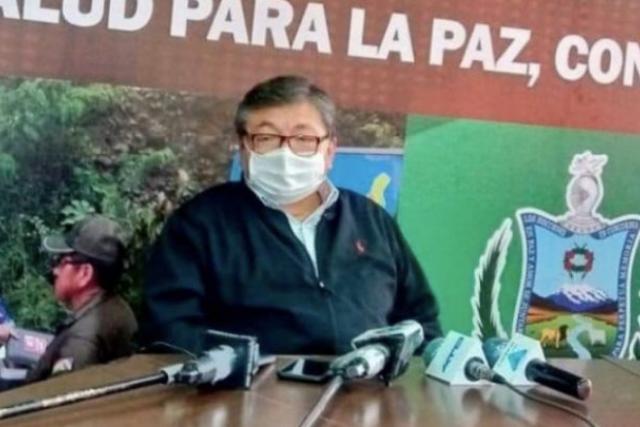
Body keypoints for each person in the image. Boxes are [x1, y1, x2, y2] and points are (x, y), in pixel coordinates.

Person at [142, 75, 441, 355]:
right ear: (244, 148)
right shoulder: (199, 224)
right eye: (266, 137)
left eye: (303, 138)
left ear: (329, 150)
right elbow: (170, 330)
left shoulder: (370, 219)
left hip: (365, 387)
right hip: (251, 389)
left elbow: (421, 321)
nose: (285, 154)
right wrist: (248, 368)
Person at [0, 215, 138, 382]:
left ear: (84, 274)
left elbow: (56, 396)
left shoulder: (80, 343)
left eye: (62, 262)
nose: (55, 271)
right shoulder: (117, 308)